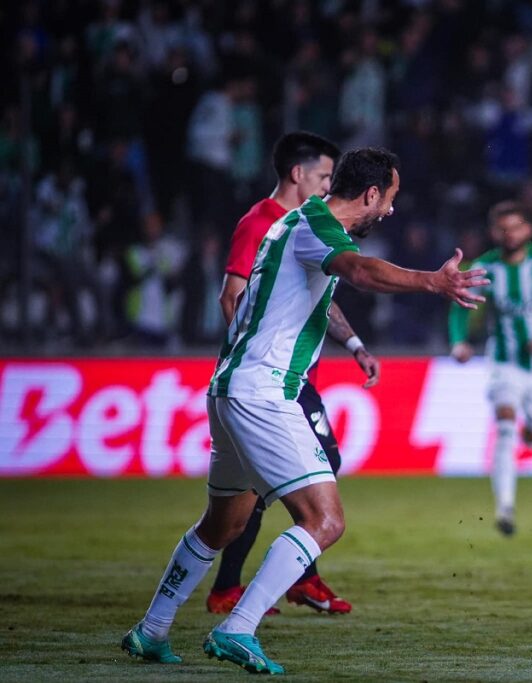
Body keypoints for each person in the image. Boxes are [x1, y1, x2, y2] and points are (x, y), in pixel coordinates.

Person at [121, 147, 489, 674]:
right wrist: (432, 281)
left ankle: (152, 628)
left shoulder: (296, 223)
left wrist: (356, 342)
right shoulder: (317, 224)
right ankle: (237, 628)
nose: (389, 210)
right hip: (264, 393)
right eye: (389, 198)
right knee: (325, 519)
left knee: (221, 525)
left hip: (229, 389)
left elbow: (325, 288)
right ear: (370, 194)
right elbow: (360, 271)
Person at [205, 131, 380, 617]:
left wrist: (354, 343)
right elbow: (232, 296)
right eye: (325, 176)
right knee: (307, 473)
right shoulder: (262, 222)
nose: (330, 186)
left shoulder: (313, 222)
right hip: (269, 380)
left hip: (296, 373)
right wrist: (252, 356)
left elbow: (319, 298)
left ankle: (277, 581)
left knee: (305, 472)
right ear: (297, 174)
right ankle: (249, 588)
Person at [449, 201, 532, 536]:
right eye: (502, 228)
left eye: (515, 227)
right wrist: (459, 341)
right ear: (493, 232)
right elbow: (459, 306)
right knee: (505, 428)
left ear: (527, 229)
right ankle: (505, 507)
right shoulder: (485, 267)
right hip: (504, 364)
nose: (509, 234)